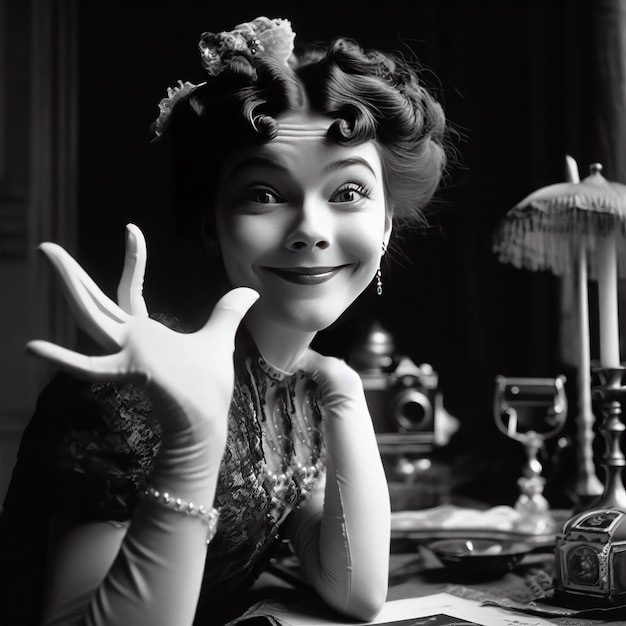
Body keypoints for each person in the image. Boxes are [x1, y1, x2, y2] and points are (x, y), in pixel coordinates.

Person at [0, 16, 447, 626]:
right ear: (213, 227)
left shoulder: (297, 390)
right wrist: (190, 441)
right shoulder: (140, 388)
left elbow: (356, 592)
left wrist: (341, 389)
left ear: (387, 224)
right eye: (264, 194)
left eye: (347, 193)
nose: (312, 231)